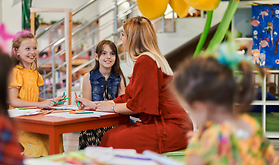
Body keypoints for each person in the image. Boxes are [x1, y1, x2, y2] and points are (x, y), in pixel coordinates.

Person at [162, 52, 277, 165]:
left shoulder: (208, 137)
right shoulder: (253, 125)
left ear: (200, 108)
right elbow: (268, 160)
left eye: (189, 109)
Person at [77, 16, 193, 153]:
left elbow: (139, 105)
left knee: (112, 137)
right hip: (174, 125)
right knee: (112, 135)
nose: (121, 39)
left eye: (123, 34)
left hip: (171, 127)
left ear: (133, 38)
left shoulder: (145, 61)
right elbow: (127, 98)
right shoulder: (149, 59)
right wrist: (96, 105)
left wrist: (112, 107)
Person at [8, 31, 64, 157]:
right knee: (41, 145)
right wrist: (41, 105)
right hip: (20, 122)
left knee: (55, 138)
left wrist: (51, 101)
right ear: (16, 51)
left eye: (34, 48)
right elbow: (14, 101)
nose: (32, 52)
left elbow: (32, 98)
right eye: (27, 48)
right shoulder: (15, 73)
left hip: (34, 118)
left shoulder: (35, 74)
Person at [79, 40, 126, 149]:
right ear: (96, 56)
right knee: (88, 136)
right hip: (95, 123)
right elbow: (87, 106)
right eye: (104, 53)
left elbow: (124, 101)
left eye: (112, 53)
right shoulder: (88, 77)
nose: (108, 57)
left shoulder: (119, 77)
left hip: (115, 122)